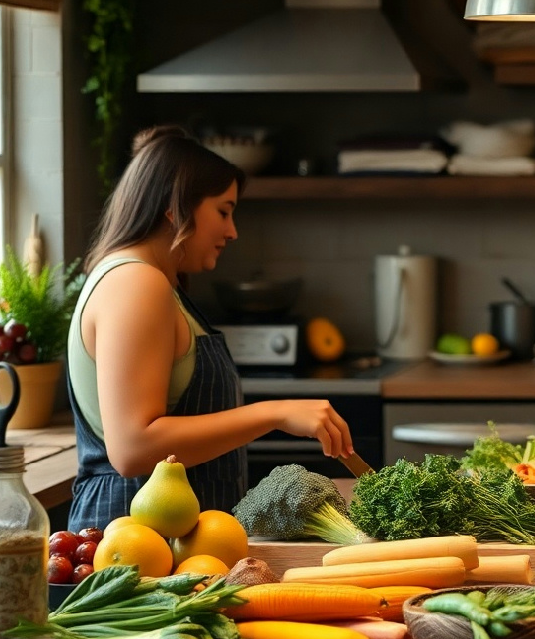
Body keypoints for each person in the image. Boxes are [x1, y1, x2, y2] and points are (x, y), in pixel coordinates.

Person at [66, 126, 355, 532]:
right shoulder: (136, 283)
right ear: (175, 207)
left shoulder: (149, 281)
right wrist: (275, 412)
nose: (232, 231)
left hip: (165, 538)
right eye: (223, 210)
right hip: (136, 540)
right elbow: (133, 447)